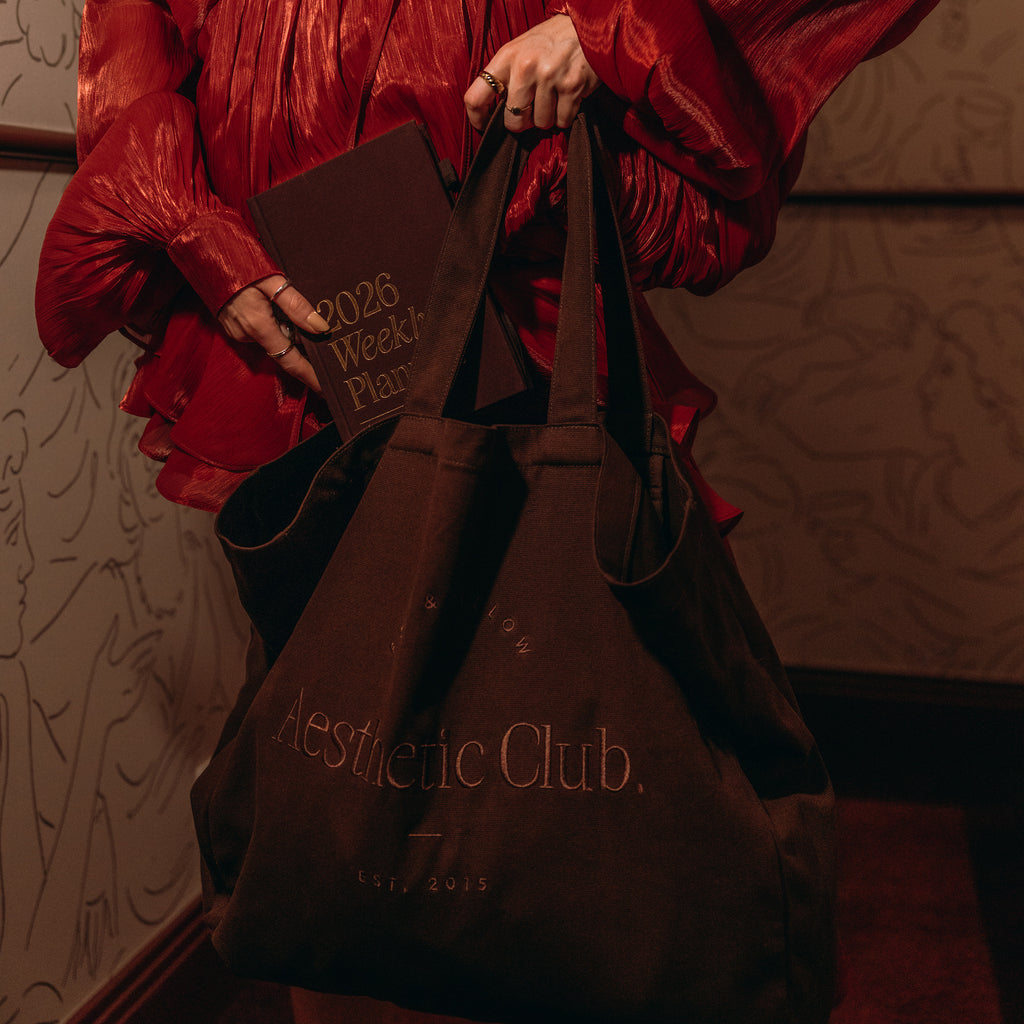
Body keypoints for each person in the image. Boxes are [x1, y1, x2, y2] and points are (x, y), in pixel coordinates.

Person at [35, 0, 939, 1021]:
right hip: (301, 340)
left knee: (571, 730)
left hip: (527, 336)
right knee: (333, 758)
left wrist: (602, 34)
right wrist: (198, 236)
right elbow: (135, 77)